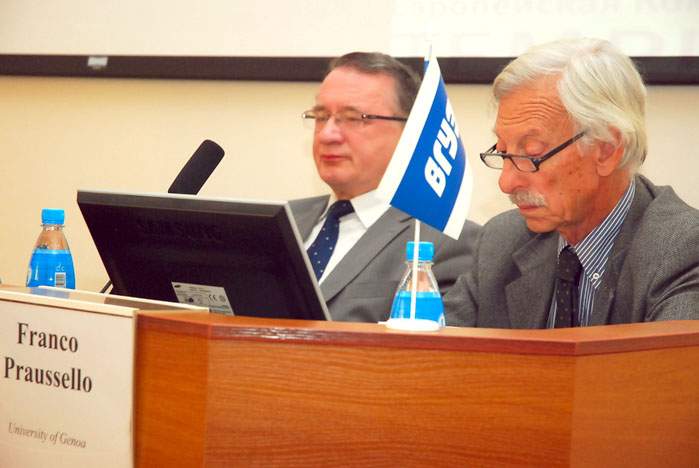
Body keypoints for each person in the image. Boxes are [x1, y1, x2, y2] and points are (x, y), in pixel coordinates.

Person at [444, 38, 699, 328]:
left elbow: (670, 358)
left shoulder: (683, 251)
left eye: (532, 155)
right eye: (503, 153)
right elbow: (433, 352)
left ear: (607, 150)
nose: (506, 182)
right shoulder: (500, 242)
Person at [290, 52, 480, 323]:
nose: (327, 134)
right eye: (321, 116)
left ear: (410, 131)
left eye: (354, 118)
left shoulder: (447, 241)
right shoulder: (284, 220)